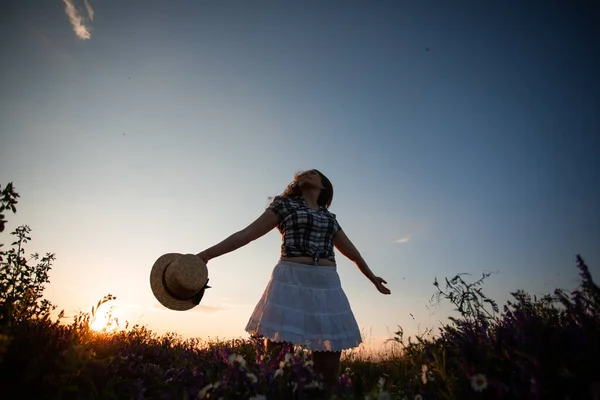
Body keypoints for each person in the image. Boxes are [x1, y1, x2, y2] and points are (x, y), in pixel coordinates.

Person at [197, 169, 390, 391]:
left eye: (313, 173)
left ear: (323, 186)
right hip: (290, 280)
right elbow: (246, 234)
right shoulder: (284, 205)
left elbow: (352, 252)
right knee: (277, 362)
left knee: (328, 367)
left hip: (326, 284)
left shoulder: (329, 218)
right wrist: (206, 254)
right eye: (303, 174)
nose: (306, 174)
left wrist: (372, 277)